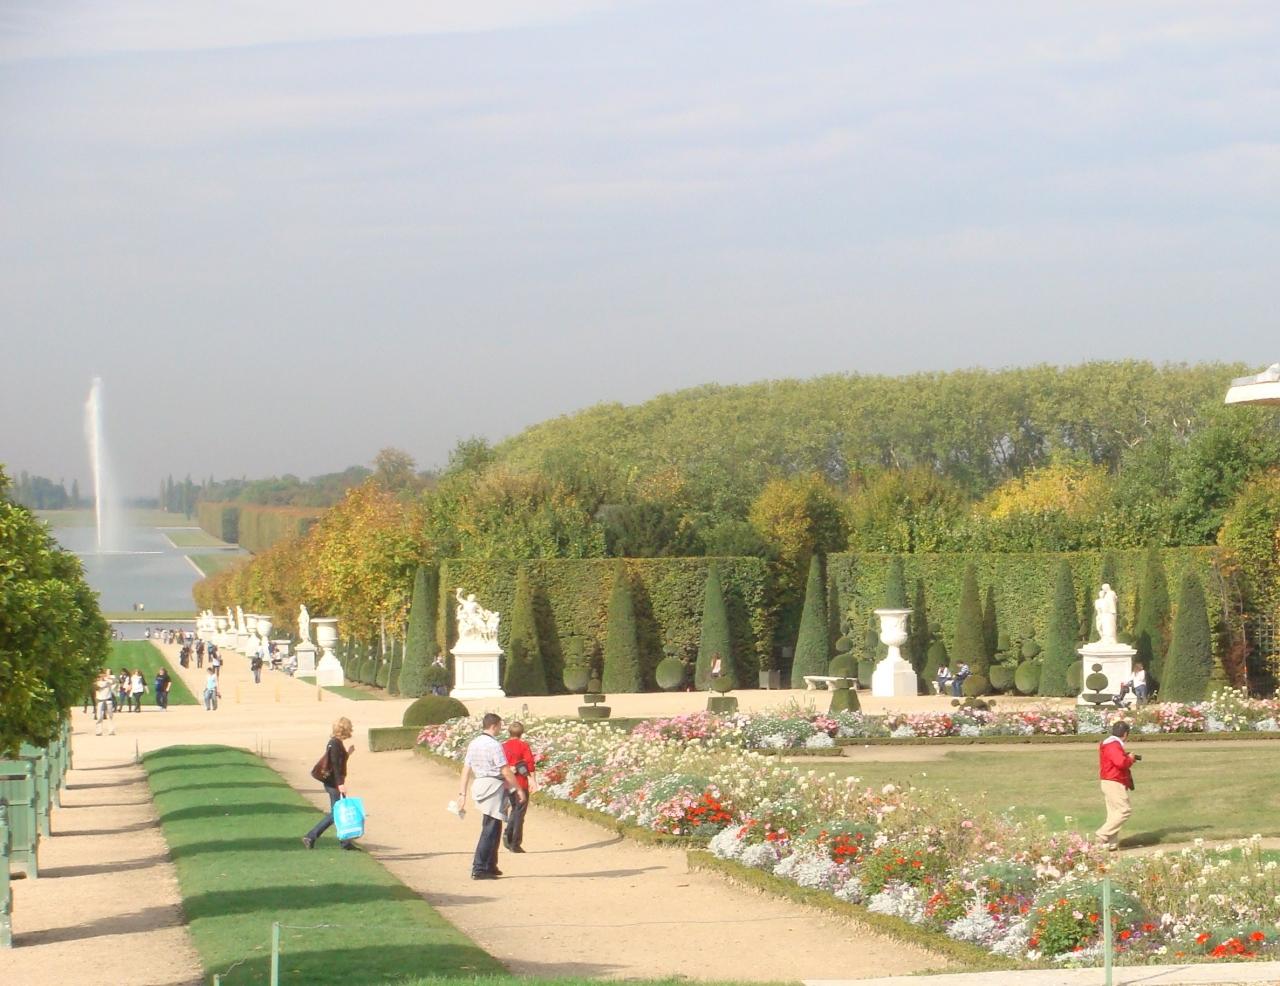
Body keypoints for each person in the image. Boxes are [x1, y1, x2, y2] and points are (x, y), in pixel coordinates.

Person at [458, 713, 525, 879]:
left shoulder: (474, 743)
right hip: (493, 785)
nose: (501, 729)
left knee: (494, 825)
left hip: (480, 783)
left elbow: (466, 769)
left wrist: (462, 793)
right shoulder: (494, 745)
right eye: (500, 726)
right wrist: (518, 789)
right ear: (494, 726)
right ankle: (480, 867)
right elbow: (505, 770)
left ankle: (490, 864)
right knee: (490, 827)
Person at [302, 716, 357, 850]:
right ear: (344, 730)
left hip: (333, 782)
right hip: (333, 783)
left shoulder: (336, 743)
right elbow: (336, 766)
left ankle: (345, 843)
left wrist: (348, 754)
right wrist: (340, 784)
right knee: (336, 813)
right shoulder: (335, 744)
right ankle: (311, 836)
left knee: (337, 813)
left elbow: (337, 762)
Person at [1096, 720, 1140, 852]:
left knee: (1114, 813)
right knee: (1124, 810)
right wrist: (1130, 758)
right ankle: (1102, 835)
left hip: (1109, 780)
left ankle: (1111, 843)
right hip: (1114, 781)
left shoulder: (1109, 743)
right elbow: (1121, 763)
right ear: (1125, 734)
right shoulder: (1114, 744)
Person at [502, 721, 536, 853]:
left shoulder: (503, 746)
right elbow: (530, 764)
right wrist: (533, 780)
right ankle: (514, 842)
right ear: (521, 733)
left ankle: (509, 834)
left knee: (514, 808)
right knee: (519, 812)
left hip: (508, 782)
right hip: (521, 782)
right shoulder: (523, 745)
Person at [93, 669, 116, 735]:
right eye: (100, 674)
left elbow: (114, 681)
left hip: (108, 699)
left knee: (110, 716)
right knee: (99, 716)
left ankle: (111, 730)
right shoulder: (96, 682)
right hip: (100, 700)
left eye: (103, 674)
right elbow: (96, 687)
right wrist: (100, 681)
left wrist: (107, 678)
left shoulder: (108, 680)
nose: (101, 675)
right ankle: (99, 731)